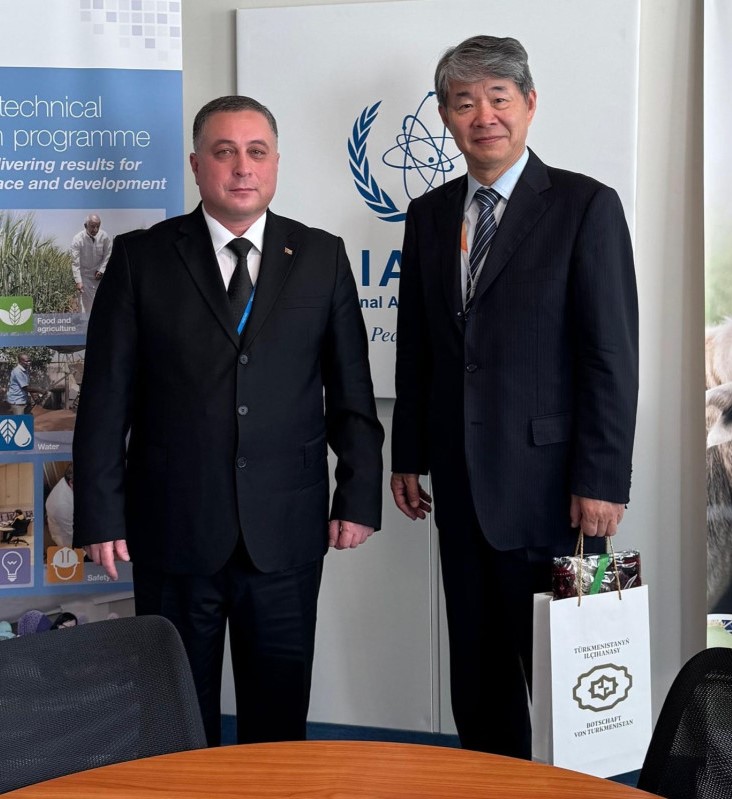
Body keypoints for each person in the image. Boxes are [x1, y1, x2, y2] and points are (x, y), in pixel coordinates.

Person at [73, 96, 384, 747]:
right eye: (224, 152)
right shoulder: (139, 259)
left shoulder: (322, 257)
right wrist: (100, 513)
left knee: (278, 718)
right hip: (173, 528)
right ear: (195, 164)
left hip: (287, 532)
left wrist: (358, 494)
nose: (242, 167)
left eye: (256, 151)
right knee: (173, 716)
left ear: (274, 164)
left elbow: (352, 391)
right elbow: (105, 400)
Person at [391, 35, 638, 759]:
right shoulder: (430, 214)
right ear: (444, 116)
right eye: (464, 102)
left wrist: (601, 479)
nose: (484, 116)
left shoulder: (586, 207)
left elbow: (610, 357)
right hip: (461, 489)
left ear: (529, 105)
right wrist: (409, 452)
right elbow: (419, 349)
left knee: (574, 683)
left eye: (499, 98)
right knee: (479, 679)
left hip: (556, 494)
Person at [70, 213, 112, 315]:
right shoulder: (77, 239)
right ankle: (86, 328)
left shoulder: (104, 237)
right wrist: (78, 281)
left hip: (100, 277)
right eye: (92, 226)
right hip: (85, 277)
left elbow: (108, 254)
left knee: (101, 305)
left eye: (98, 226)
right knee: (85, 308)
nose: (95, 229)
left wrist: (101, 269)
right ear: (85, 226)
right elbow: (75, 263)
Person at [46, 463, 74, 550]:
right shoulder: (62, 505)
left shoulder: (68, 479)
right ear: (71, 483)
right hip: (67, 538)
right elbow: (71, 533)